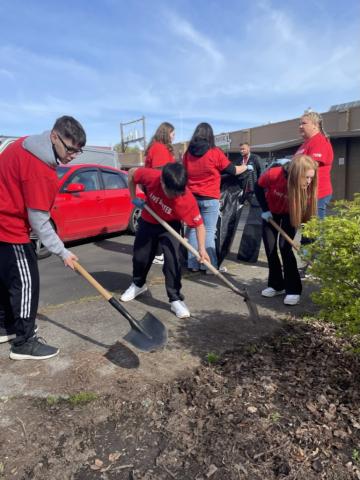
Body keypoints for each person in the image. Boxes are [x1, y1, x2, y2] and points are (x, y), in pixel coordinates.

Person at [0, 116, 86, 360]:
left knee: (5, 280)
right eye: (70, 149)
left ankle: (5, 327)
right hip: (9, 227)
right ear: (54, 137)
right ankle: (24, 342)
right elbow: (40, 222)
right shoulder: (40, 169)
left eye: (77, 151)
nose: (72, 155)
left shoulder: (24, 143)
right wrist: (63, 252)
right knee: (26, 284)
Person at [120, 162, 210, 319]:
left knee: (172, 261)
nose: (176, 197)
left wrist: (202, 249)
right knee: (141, 256)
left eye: (178, 193)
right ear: (162, 182)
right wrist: (134, 198)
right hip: (148, 220)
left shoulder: (186, 199)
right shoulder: (152, 177)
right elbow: (132, 173)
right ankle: (138, 284)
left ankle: (175, 299)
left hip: (170, 227)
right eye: (172, 193)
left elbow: (199, 225)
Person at [183, 122, 251, 273]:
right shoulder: (214, 152)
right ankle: (209, 266)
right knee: (208, 231)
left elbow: (184, 173)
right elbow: (233, 170)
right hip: (209, 198)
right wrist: (246, 167)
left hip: (192, 198)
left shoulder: (187, 154)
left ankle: (193, 264)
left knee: (194, 229)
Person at [255, 154, 318, 306]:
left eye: (311, 178)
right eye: (306, 178)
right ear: (296, 173)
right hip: (271, 213)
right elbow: (258, 187)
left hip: (292, 213)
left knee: (285, 248)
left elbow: (307, 216)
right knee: (270, 249)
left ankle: (293, 289)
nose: (309, 182)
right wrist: (264, 209)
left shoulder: (308, 188)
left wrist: (308, 238)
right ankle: (277, 285)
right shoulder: (273, 174)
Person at [145, 122, 176, 265]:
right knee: (162, 224)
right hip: (159, 193)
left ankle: (158, 252)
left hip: (156, 192)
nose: (174, 137)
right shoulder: (159, 148)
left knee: (158, 223)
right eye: (173, 134)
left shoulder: (157, 147)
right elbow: (160, 172)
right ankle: (159, 253)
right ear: (166, 133)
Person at [296, 111, 334, 219]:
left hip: (317, 194)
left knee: (315, 232)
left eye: (304, 123)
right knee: (306, 231)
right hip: (305, 195)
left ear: (315, 125)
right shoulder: (305, 144)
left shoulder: (319, 141)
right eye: (299, 124)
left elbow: (311, 166)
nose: (300, 126)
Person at [236, 142, 263, 263]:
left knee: (253, 219)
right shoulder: (239, 160)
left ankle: (249, 252)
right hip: (242, 191)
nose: (242, 151)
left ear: (249, 148)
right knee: (237, 215)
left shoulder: (256, 158)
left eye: (243, 149)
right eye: (240, 149)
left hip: (253, 191)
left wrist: (260, 189)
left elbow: (261, 173)